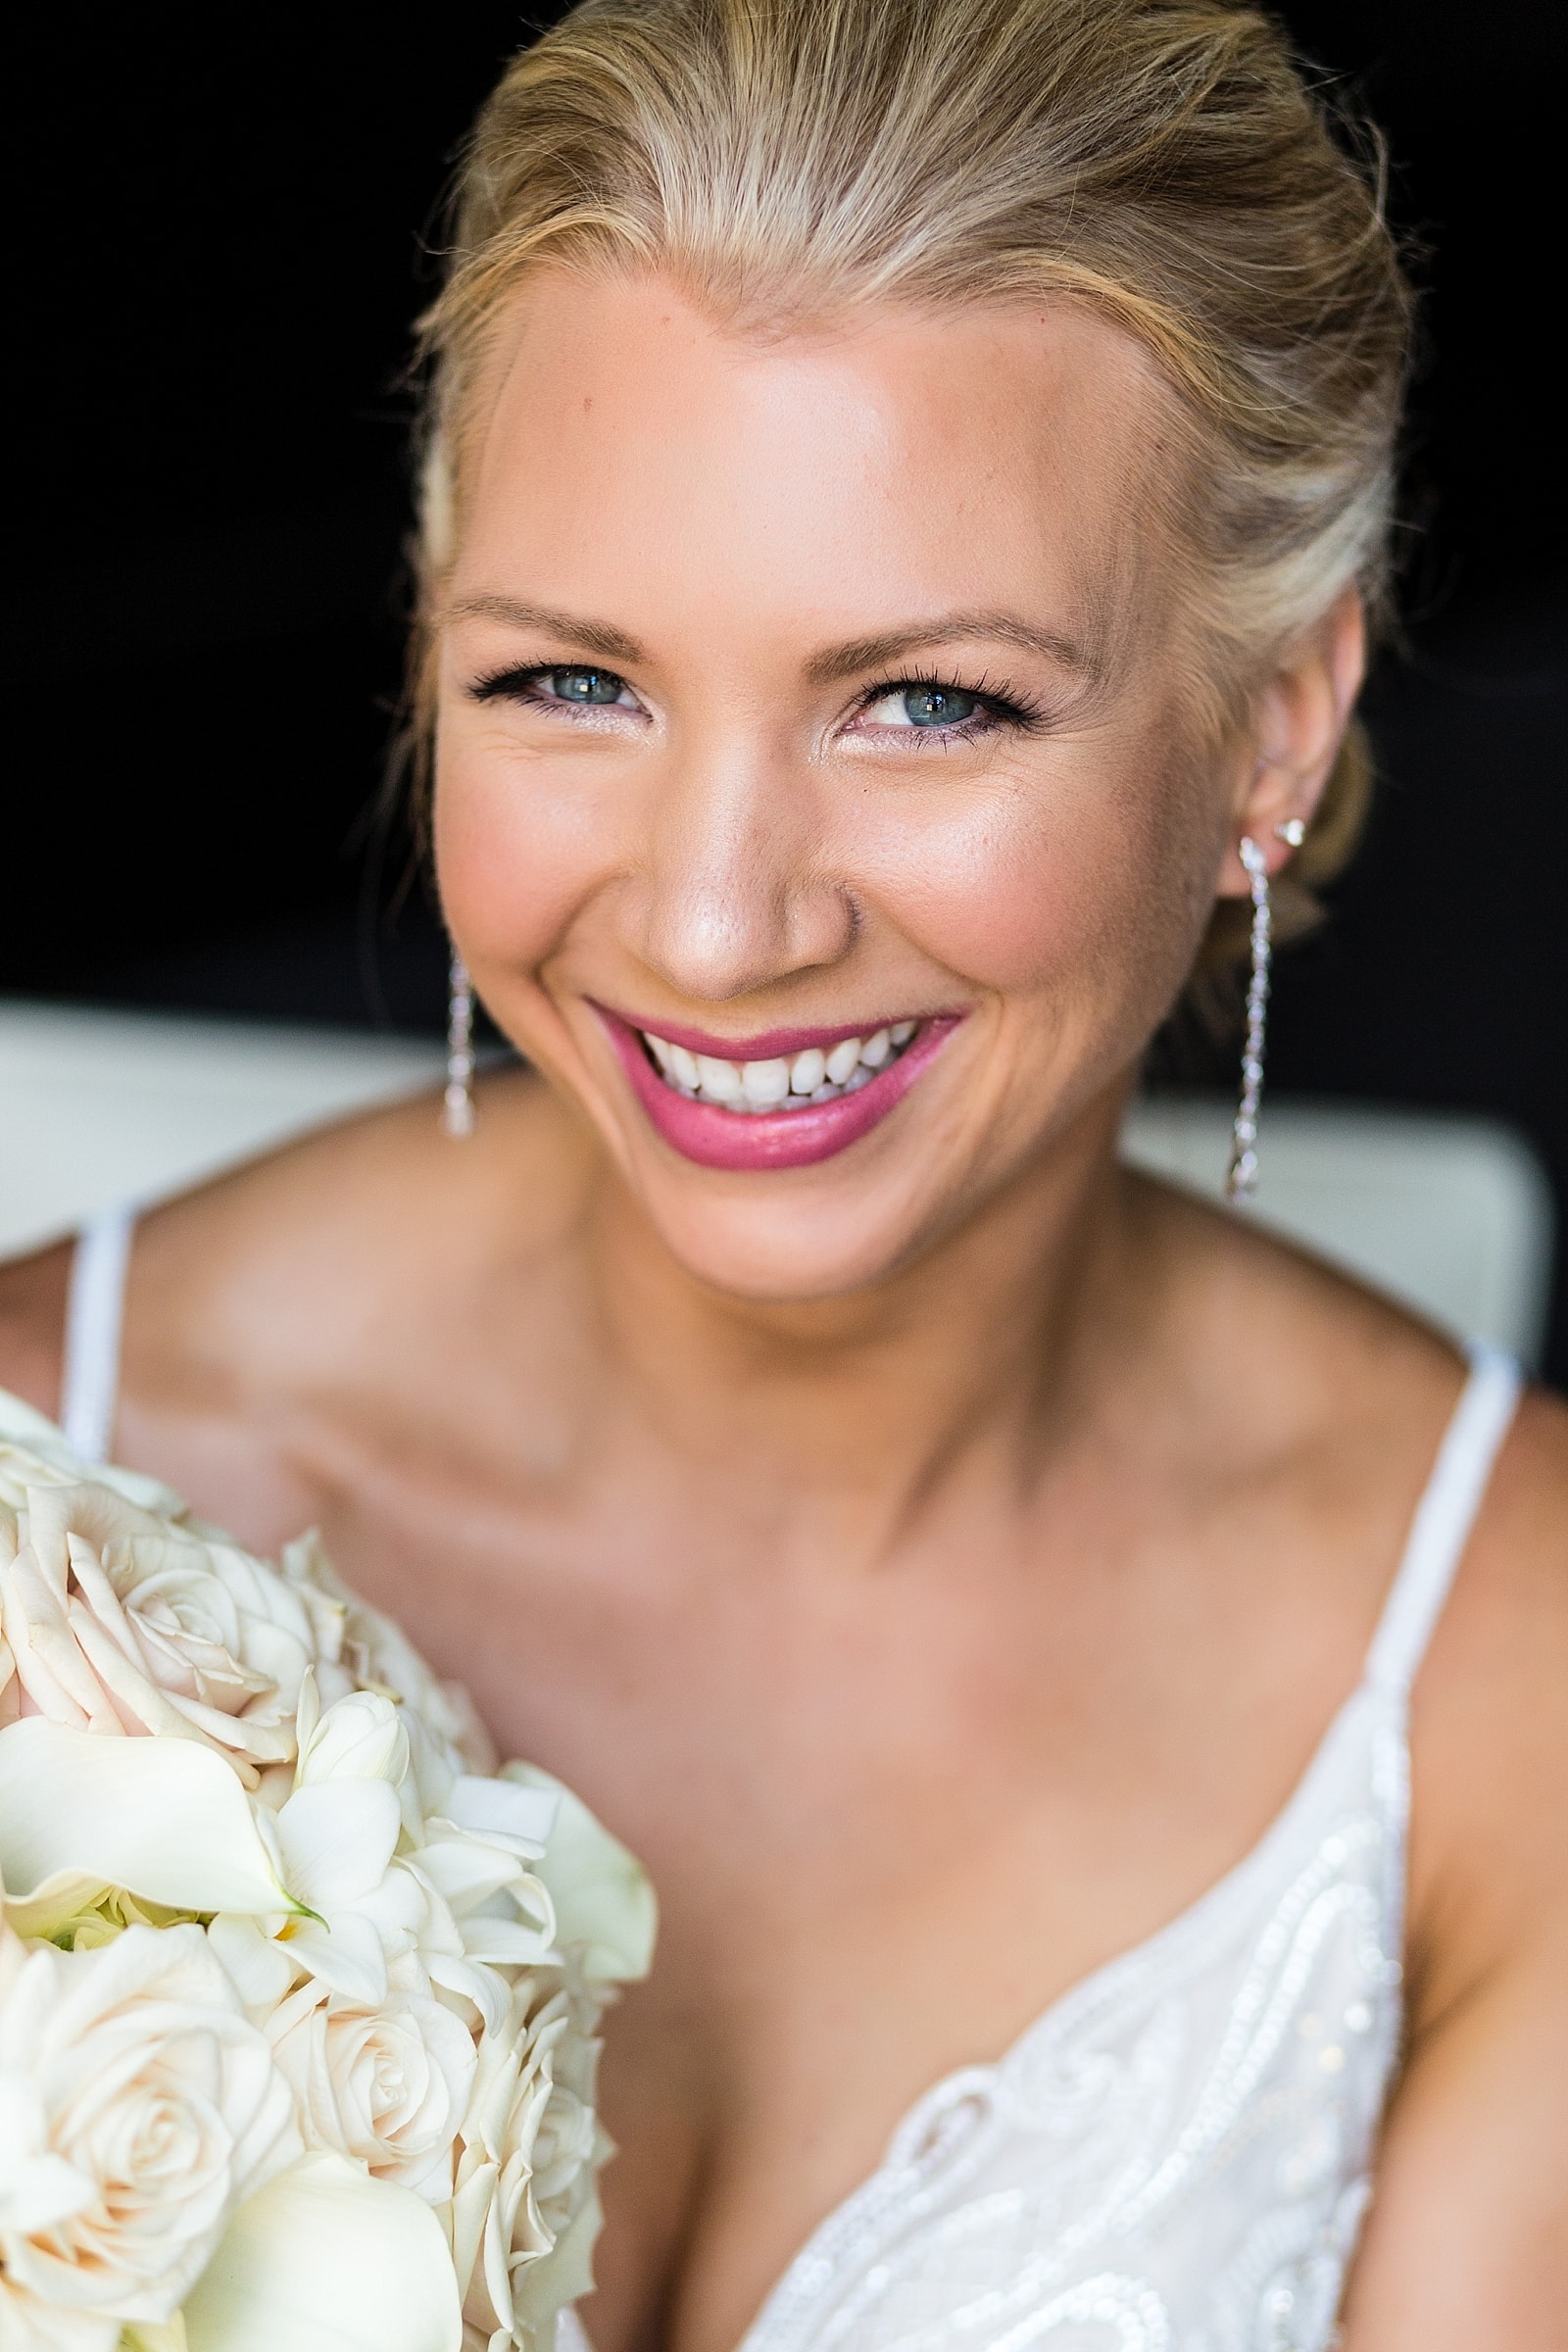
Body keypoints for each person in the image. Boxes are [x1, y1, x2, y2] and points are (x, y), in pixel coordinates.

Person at [3, 1, 1565, 2343]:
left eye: (927, 701)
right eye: (573, 684)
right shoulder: (29, 1489)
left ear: (1269, 726)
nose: (718, 923)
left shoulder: (1508, 1696)